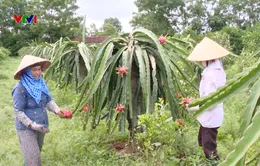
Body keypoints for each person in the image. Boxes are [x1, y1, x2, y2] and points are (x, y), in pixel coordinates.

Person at [12, 55, 64, 166]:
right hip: (26, 128)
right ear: (27, 71)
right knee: (34, 161)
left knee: (33, 156)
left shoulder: (41, 84)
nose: (37, 73)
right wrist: (31, 124)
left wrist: (57, 110)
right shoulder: (20, 88)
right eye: (34, 70)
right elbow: (18, 111)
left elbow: (48, 100)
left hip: (41, 125)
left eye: (39, 69)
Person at [186, 37, 230, 160]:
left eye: (202, 60)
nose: (200, 62)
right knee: (202, 139)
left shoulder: (213, 73)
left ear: (209, 59)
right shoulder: (211, 70)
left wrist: (194, 106)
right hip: (208, 113)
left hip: (211, 113)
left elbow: (211, 99)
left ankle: (215, 162)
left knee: (209, 147)